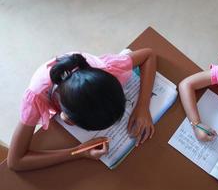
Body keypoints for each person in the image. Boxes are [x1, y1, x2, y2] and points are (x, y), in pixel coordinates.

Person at [7, 48, 156, 171]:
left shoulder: (107, 69)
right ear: (67, 119)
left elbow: (149, 54)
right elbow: (15, 161)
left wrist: (143, 106)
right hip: (49, 87)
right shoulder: (35, 99)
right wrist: (78, 152)